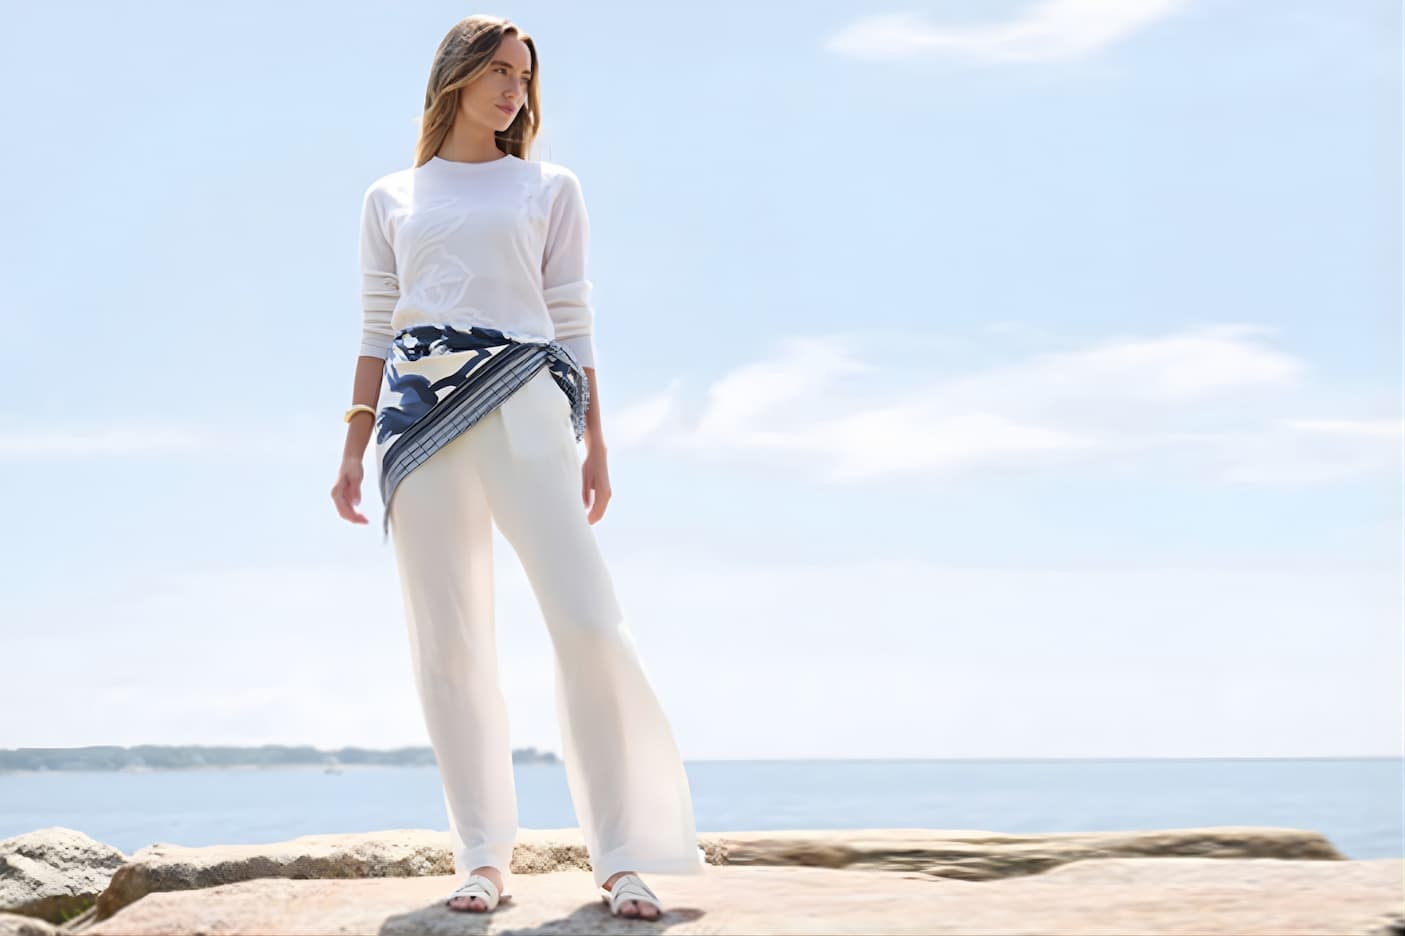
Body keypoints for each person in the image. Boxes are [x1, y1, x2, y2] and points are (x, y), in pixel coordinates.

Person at [328, 14, 707, 920]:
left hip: (528, 399)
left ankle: (620, 856)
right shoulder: (392, 195)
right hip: (417, 421)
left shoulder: (548, 186)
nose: (515, 90)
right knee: (449, 644)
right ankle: (482, 860)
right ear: (455, 76)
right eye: (499, 71)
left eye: (524, 77)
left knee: (587, 623)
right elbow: (378, 321)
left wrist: (600, 443)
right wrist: (351, 440)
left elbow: (571, 315)